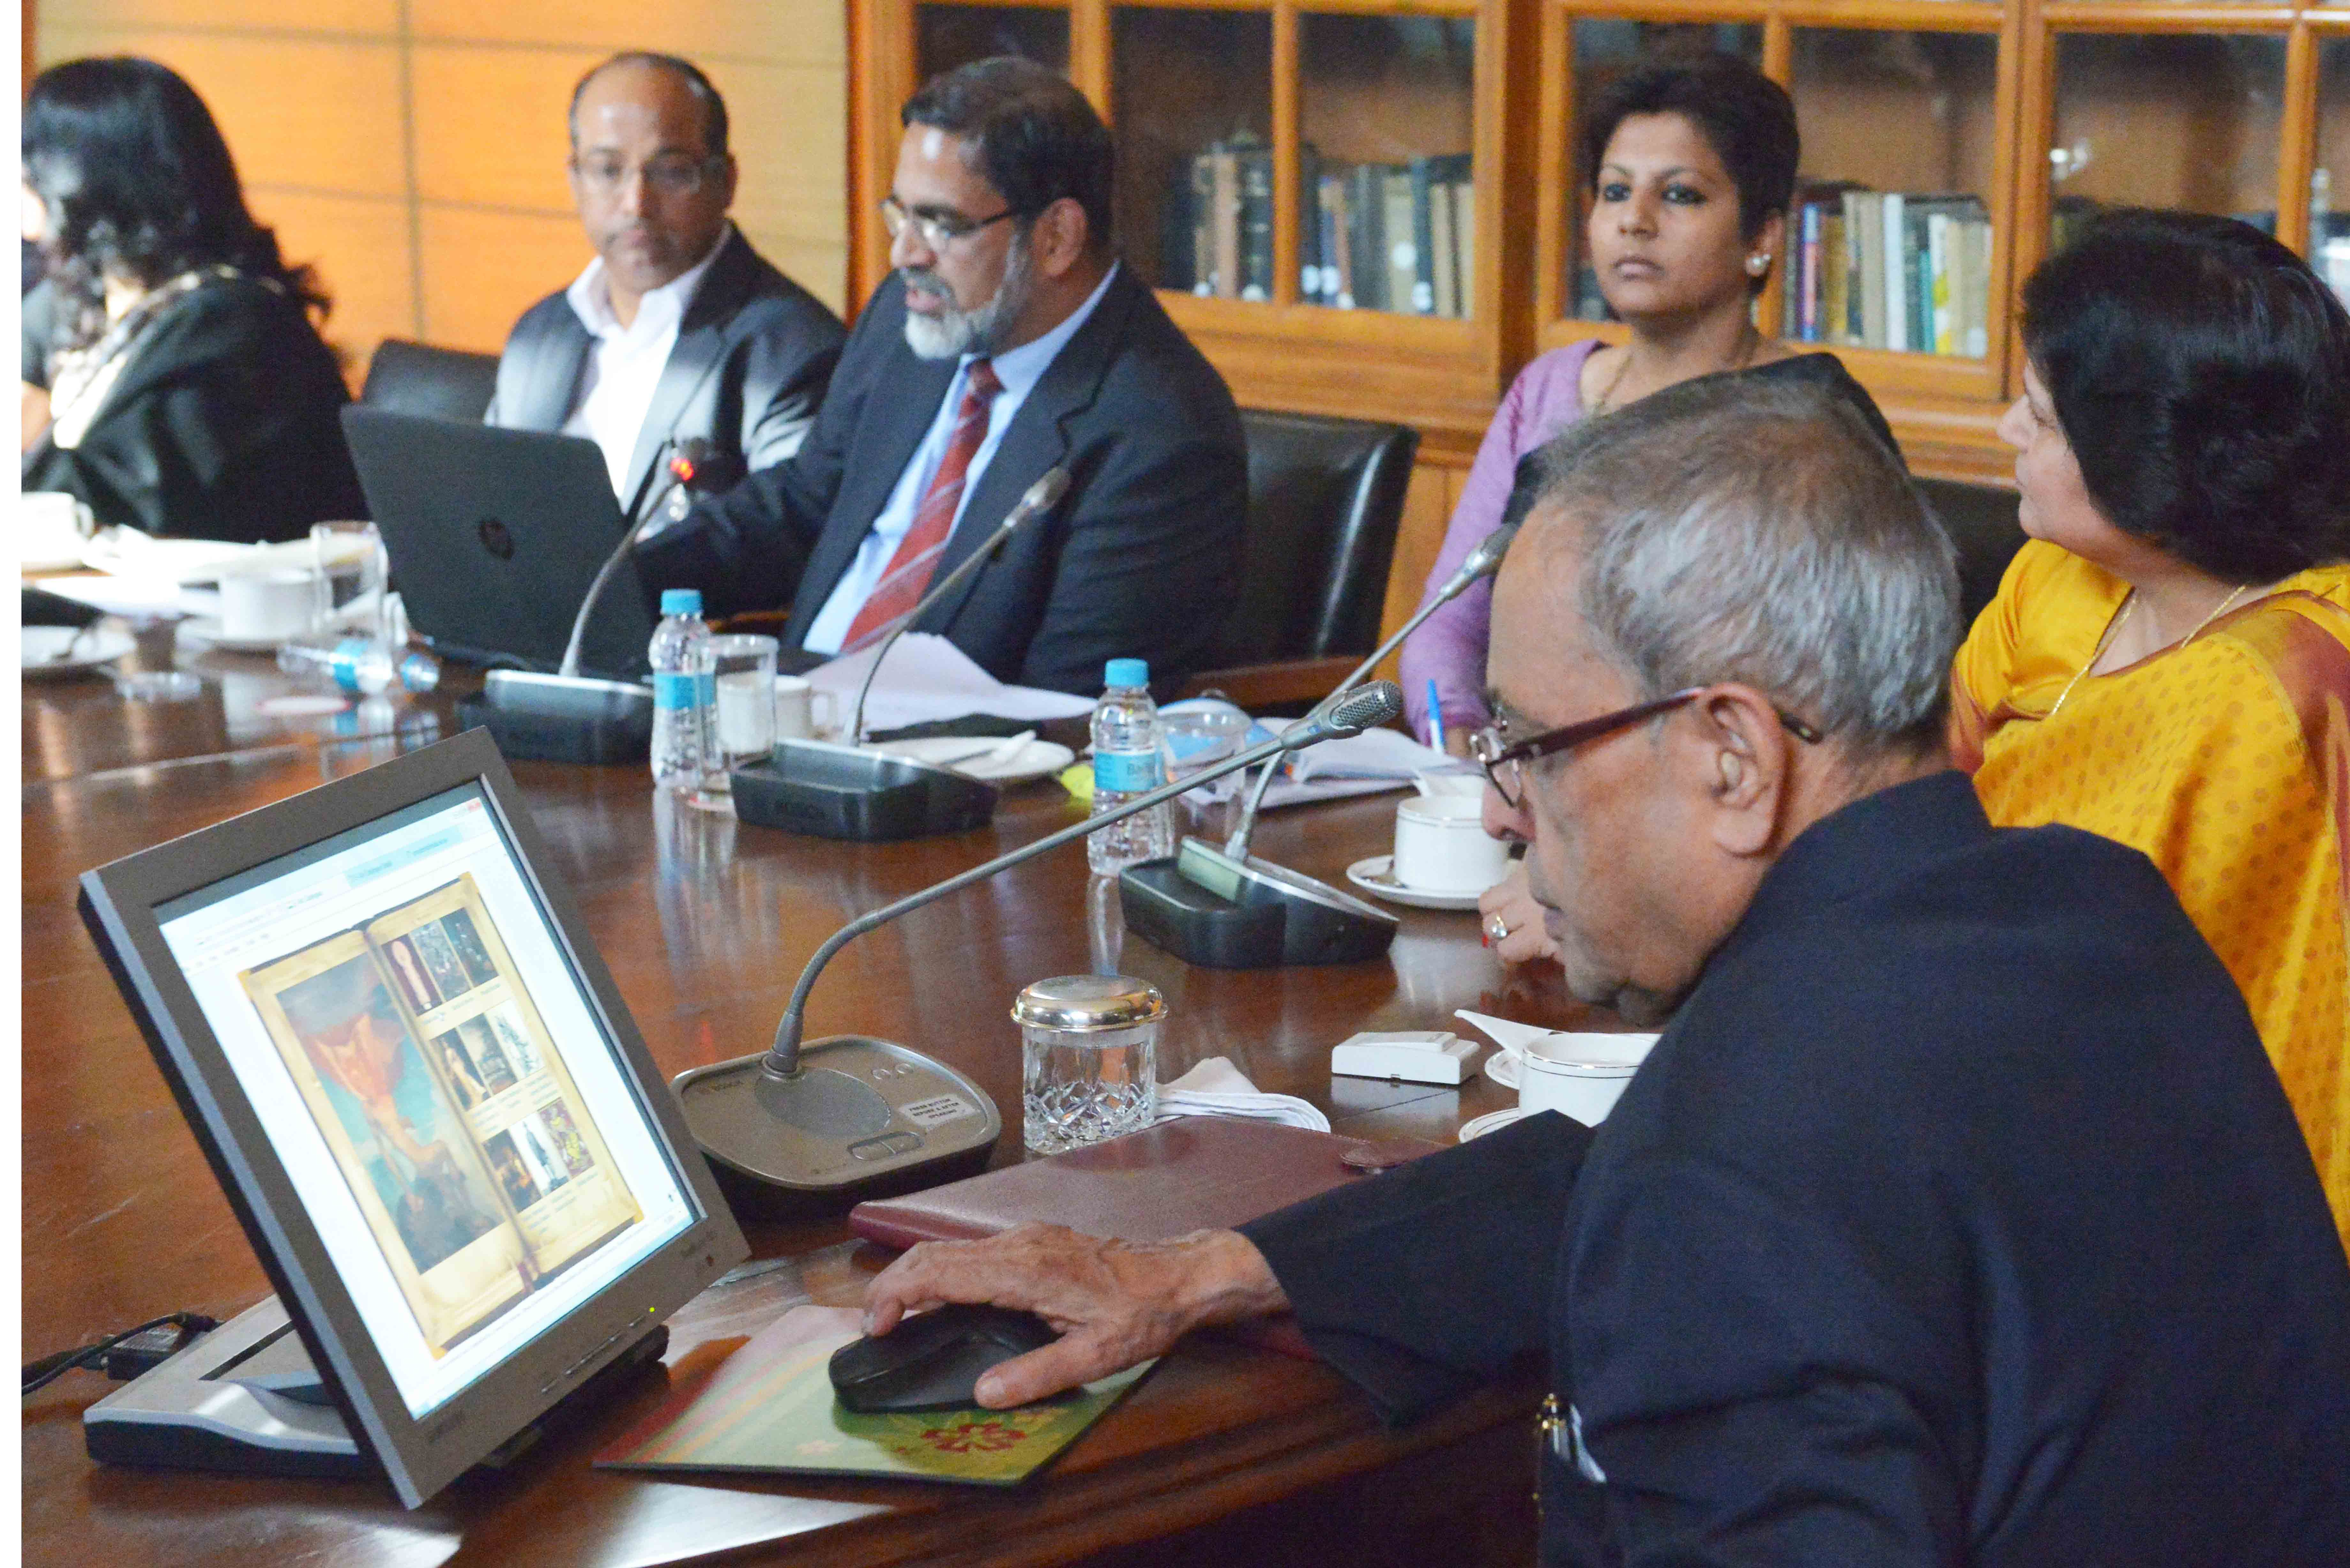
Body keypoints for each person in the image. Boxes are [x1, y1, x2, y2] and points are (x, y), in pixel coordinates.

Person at [860, 378, 2350, 1567]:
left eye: (1526, 742)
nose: (1499, 803)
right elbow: (1726, 1184)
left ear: (1730, 755)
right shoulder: (2085, 911)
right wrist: (1202, 1267)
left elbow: (1727, 1200)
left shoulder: (1738, 1175)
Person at [1406, 50, 1896, 964]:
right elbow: (1441, 638)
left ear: (1763, 237)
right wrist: (1484, 778)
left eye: (1680, 196)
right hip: (1517, 829)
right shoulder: (1552, 389)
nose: (1633, 221)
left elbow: (1798, 714)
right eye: (1613, 191)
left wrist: (1578, 859)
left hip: (1710, 877)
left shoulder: (1807, 428)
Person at [1951, 209, 2350, 1245]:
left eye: (2039, 417)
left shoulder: (2287, 681)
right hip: (1981, 1073)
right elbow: (1917, 789)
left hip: (2182, 1195)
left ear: (2155, 454)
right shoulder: (2060, 574)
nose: (2006, 433)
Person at [635, 57, 1247, 697]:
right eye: (902, 215)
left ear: (1057, 238)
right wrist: (611, 582)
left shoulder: (1161, 434)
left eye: (942, 224)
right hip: (782, 722)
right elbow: (799, 505)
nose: (904, 253)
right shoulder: (912, 325)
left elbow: (1076, 711)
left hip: (955, 776)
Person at [484, 53, 845, 529]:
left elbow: (782, 539)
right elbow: (488, 505)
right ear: (576, 182)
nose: (637, 204)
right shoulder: (540, 334)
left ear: (725, 182)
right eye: (608, 171)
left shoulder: (793, 351)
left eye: (671, 172)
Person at [20, 57, 366, 539]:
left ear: (82, 182)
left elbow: (115, 500)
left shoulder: (237, 329)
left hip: (232, 605)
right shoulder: (96, 298)